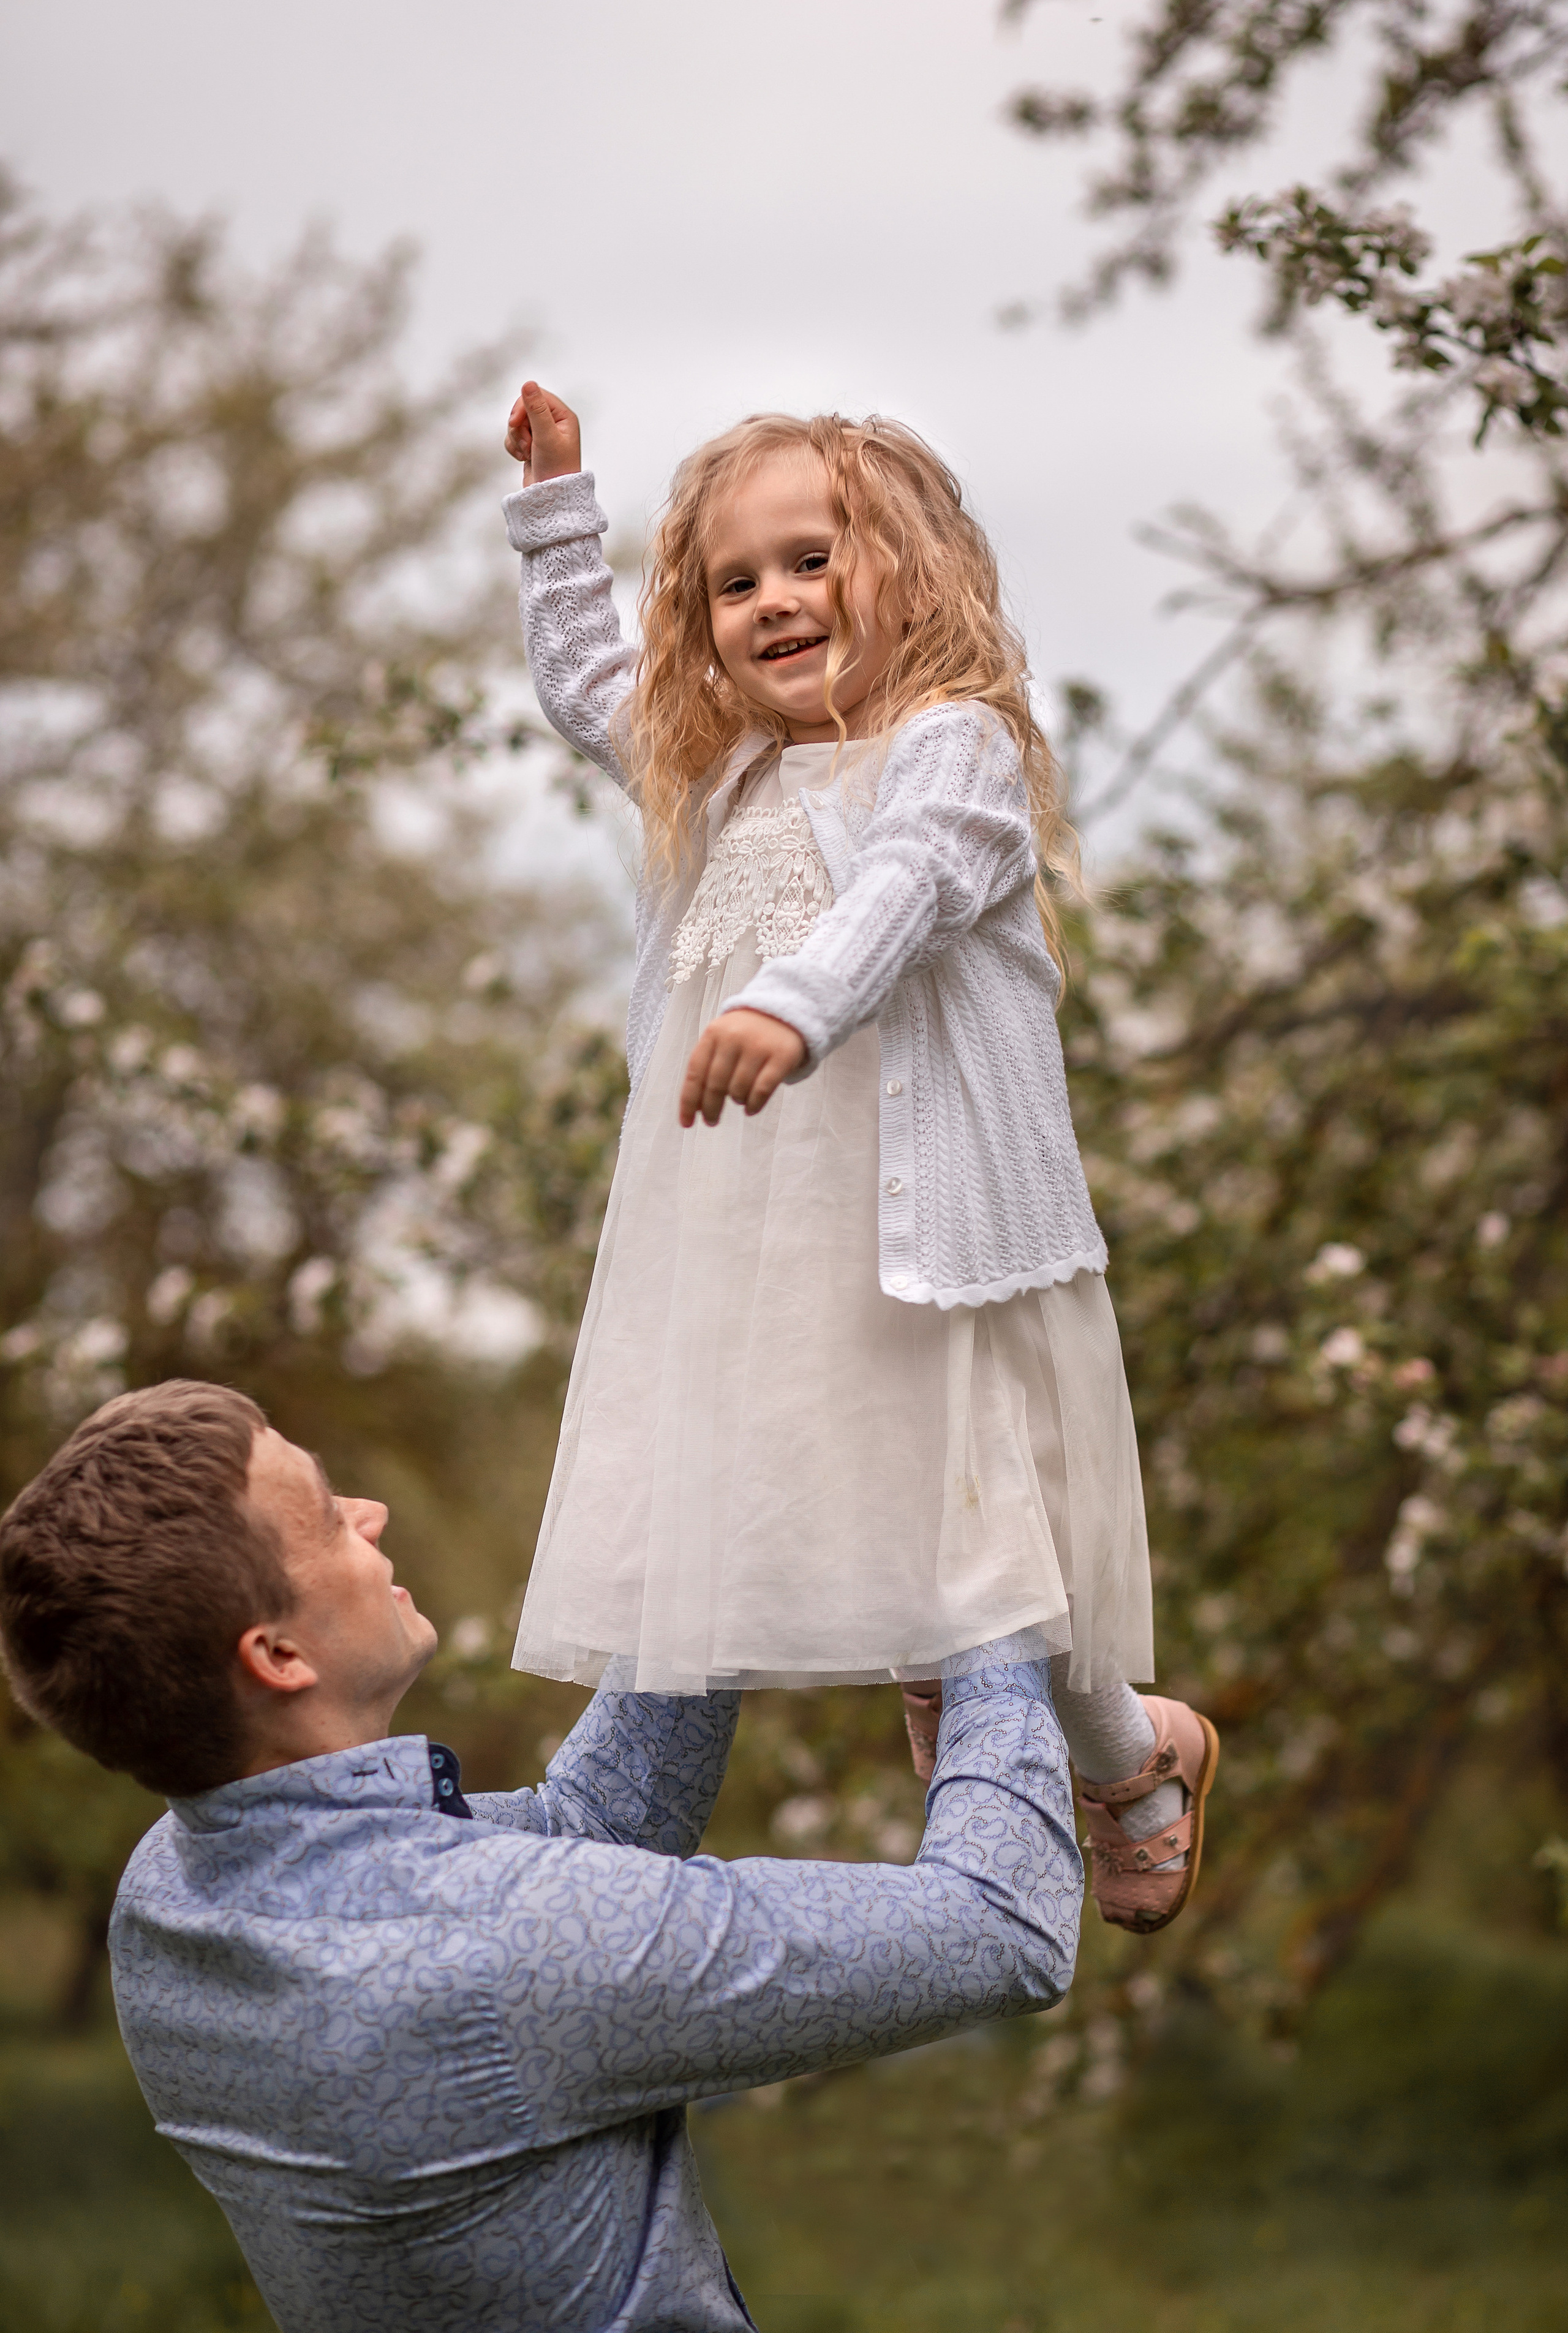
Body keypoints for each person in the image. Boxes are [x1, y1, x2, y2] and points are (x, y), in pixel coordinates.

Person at [502, 383, 1218, 1934]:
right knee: (895, 1522)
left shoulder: (948, 749)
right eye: (733, 584)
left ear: (910, 566)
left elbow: (904, 890)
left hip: (931, 1229)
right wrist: (560, 512)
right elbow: (581, 689)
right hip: (754, 1251)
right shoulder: (714, 767)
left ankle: (1122, 1759)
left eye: (810, 561)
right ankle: (1122, 1745)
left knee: (978, 1527)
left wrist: (786, 1004)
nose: (772, 604)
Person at [0, 1379, 1081, 2333]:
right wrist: (988, 1576)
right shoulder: (481, 1953)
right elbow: (999, 1926)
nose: (372, 1515)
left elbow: (599, 1825)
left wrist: (719, 1531)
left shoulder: (170, 1891)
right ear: (277, 1656)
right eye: (329, 1518)